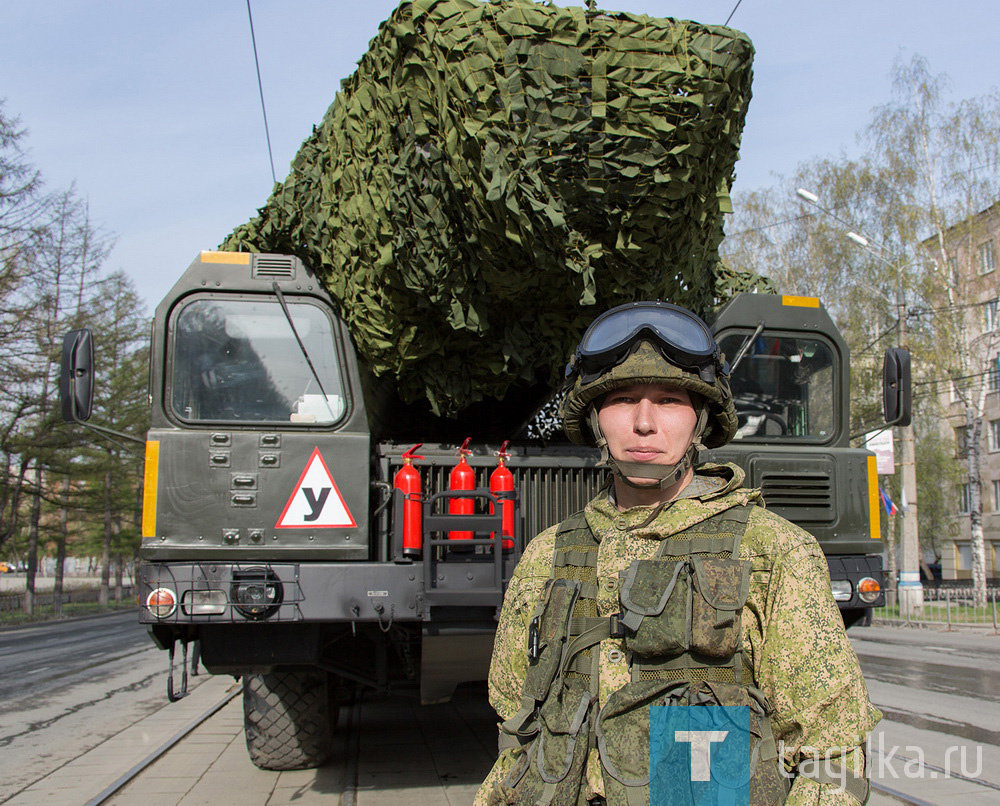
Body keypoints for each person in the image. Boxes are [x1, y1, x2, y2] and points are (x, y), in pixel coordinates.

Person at [474, 301, 880, 806]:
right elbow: (516, 726)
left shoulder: (773, 552)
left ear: (701, 418)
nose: (645, 423)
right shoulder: (549, 555)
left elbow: (833, 748)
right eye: (623, 399)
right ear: (597, 418)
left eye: (668, 400)